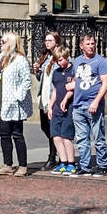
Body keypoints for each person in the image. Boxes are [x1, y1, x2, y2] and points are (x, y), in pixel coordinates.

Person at [0, 31, 33, 176]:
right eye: (0, 41)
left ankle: (23, 166)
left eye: (3, 41)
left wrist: (16, 97)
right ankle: (7, 164)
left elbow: (27, 81)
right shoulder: (0, 59)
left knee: (17, 134)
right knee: (4, 135)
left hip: (14, 104)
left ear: (11, 43)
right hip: (0, 102)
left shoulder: (20, 60)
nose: (0, 44)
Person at [67, 33, 107, 177]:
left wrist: (96, 101)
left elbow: (106, 83)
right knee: (81, 138)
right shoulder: (77, 61)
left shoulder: (101, 62)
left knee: (98, 137)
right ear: (81, 46)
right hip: (78, 105)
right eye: (88, 44)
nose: (91, 46)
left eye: (93, 43)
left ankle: (103, 165)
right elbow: (76, 80)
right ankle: (85, 166)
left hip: (93, 105)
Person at [34, 29, 63, 170]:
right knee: (44, 126)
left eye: (50, 40)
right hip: (44, 97)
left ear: (56, 42)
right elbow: (42, 78)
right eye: (46, 40)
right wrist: (37, 71)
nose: (47, 42)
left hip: (53, 98)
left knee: (52, 128)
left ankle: (52, 157)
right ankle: (57, 150)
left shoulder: (59, 57)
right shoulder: (45, 57)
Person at [47, 46, 77, 174]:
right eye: (57, 61)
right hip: (57, 108)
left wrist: (65, 99)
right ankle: (63, 162)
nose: (59, 63)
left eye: (61, 60)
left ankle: (71, 163)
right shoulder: (57, 72)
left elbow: (73, 88)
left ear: (67, 57)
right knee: (56, 137)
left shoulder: (73, 70)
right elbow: (55, 90)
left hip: (69, 108)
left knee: (66, 137)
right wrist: (50, 106)